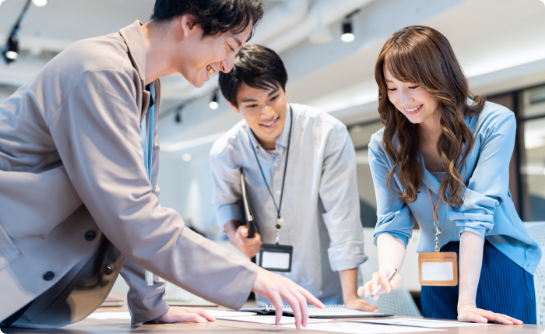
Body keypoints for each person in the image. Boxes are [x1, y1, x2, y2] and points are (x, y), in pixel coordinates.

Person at [0, 0, 324, 329]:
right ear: (189, 24)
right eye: (229, 46)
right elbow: (132, 215)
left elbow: (140, 203)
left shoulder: (144, 84)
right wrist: (252, 275)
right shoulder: (100, 70)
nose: (227, 65)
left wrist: (150, 306)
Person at [358, 25, 541, 324]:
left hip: (495, 256)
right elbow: (391, 222)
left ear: (439, 77)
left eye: (413, 85)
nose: (403, 100)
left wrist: (466, 302)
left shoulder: (493, 123)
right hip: (436, 263)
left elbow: (476, 216)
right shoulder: (384, 145)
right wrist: (387, 272)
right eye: (392, 88)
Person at [210, 44, 377, 312]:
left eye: (273, 98)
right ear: (233, 106)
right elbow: (225, 204)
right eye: (252, 105)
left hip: (328, 299)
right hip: (271, 299)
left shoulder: (327, 135)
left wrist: (351, 299)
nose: (267, 114)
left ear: (285, 89)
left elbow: (341, 216)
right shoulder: (226, 151)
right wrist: (236, 234)